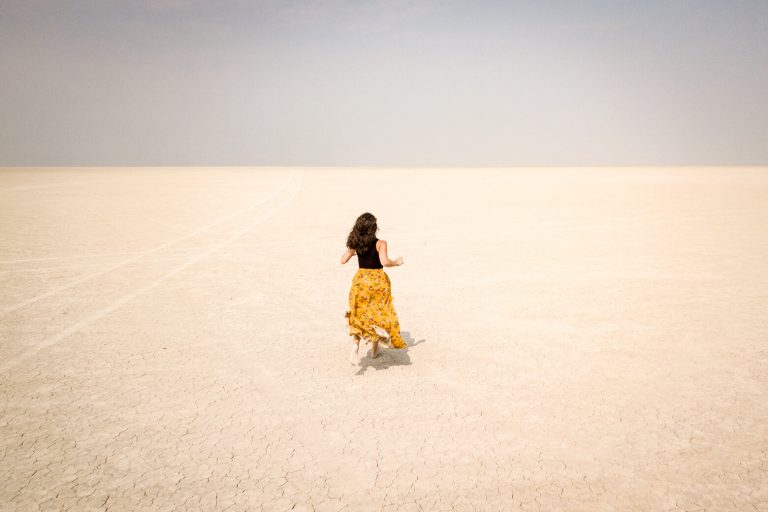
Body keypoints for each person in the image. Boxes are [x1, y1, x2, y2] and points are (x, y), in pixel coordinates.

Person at [340, 212, 406, 364]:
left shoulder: (356, 243)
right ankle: (374, 350)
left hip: (361, 281)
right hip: (377, 281)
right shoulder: (380, 243)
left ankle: (356, 345)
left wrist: (353, 251)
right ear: (374, 228)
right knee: (378, 312)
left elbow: (343, 260)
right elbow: (384, 262)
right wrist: (396, 262)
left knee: (359, 313)